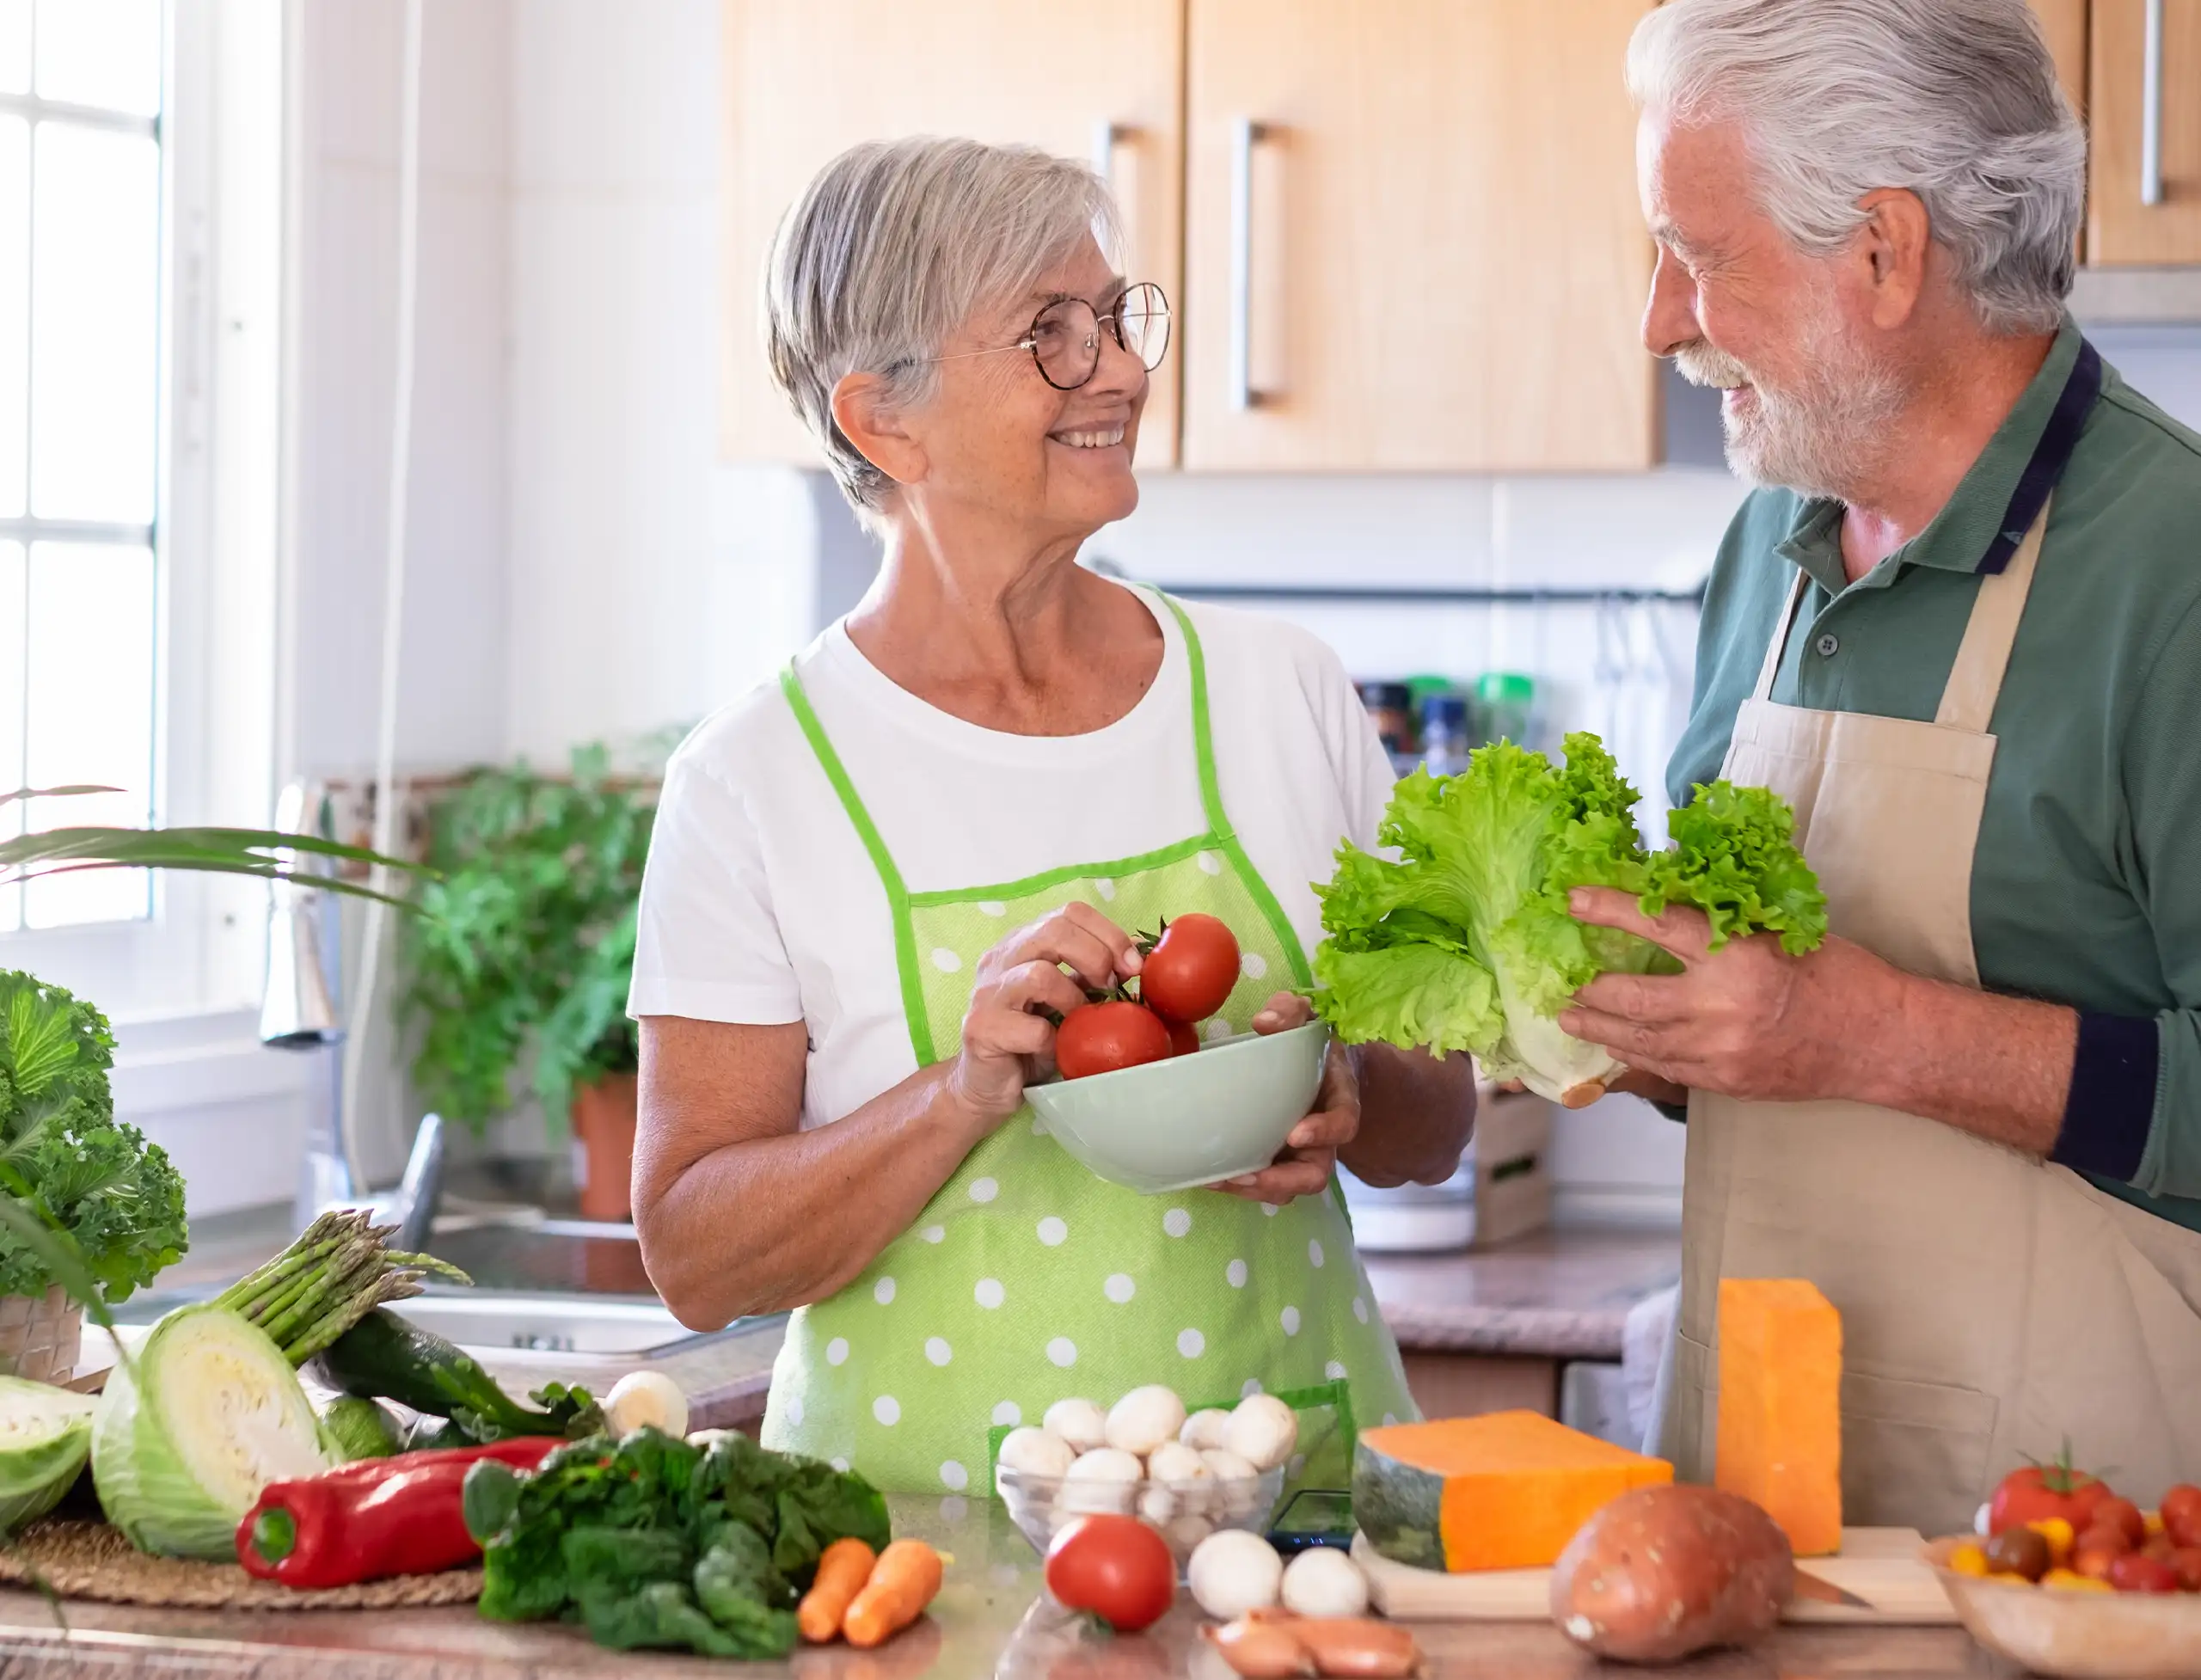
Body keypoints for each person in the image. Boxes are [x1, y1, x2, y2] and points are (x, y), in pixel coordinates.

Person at [625, 137, 1473, 1493]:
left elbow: (1439, 1130)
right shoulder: (756, 778)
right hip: (920, 1545)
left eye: (1118, 316)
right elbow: (695, 1250)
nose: (1125, 370)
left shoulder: (1283, 694)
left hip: (1296, 1513)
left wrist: (1351, 1093)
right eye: (1050, 335)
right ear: (882, 420)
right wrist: (962, 1093)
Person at [1566, 0, 2201, 1534]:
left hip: (2079, 1542)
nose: (1660, 320)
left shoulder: (2172, 571)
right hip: (1754, 1510)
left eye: (1697, 254)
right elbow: (1755, 1040)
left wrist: (1873, 1035)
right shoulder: (1765, 546)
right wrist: (1610, 1016)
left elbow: (1833, 1038)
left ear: (1885, 254)